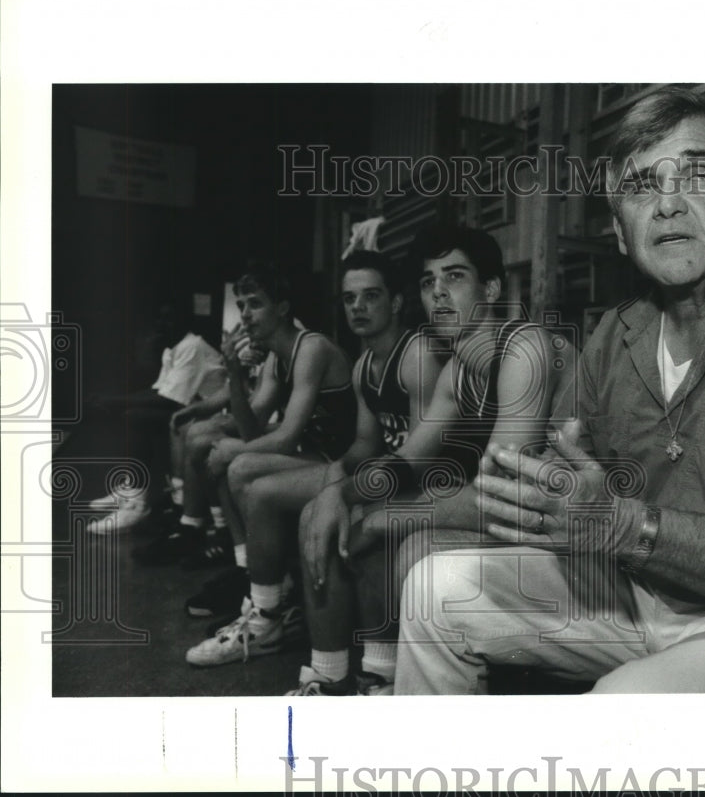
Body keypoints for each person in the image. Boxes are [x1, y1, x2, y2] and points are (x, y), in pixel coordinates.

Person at [393, 87, 705, 694]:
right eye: (641, 186)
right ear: (620, 232)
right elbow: (558, 481)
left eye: (697, 174)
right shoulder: (618, 333)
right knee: (434, 591)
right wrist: (548, 489)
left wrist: (627, 527)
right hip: (639, 595)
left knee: (627, 702)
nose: (667, 203)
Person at [277, 224, 574, 695]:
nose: (438, 292)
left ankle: (406, 691)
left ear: (491, 288)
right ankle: (335, 680)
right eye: (427, 281)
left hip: (577, 540)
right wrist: (340, 492)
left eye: (454, 277)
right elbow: (410, 458)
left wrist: (382, 519)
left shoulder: (525, 348)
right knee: (337, 512)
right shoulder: (458, 368)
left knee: (411, 541)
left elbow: (500, 496)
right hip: (521, 521)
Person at [184, 250, 443, 670]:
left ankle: (351, 668)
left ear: (396, 302)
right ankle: (268, 614)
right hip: (369, 471)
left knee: (310, 508)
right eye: (349, 299)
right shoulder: (364, 366)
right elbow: (362, 444)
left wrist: (342, 491)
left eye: (371, 296)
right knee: (266, 491)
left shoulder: (415, 357)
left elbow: (420, 464)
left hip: (419, 485)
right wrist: (337, 481)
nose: (358, 307)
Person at [132, 263, 355, 574]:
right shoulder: (277, 356)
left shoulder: (311, 348)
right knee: (231, 457)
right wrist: (234, 374)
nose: (245, 314)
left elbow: (286, 437)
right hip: (315, 452)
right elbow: (252, 429)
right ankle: (244, 566)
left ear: (282, 308)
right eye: (241, 306)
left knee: (237, 462)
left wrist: (232, 449)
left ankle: (265, 583)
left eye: (255, 304)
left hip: (340, 462)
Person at [85, 303, 226, 534]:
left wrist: (115, 401)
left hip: (210, 413)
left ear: (184, 322)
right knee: (133, 415)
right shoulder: (173, 348)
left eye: (169, 320)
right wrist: (114, 399)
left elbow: (172, 401)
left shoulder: (192, 345)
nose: (162, 325)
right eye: (159, 320)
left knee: (136, 418)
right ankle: (132, 488)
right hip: (189, 409)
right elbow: (159, 390)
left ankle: (137, 504)